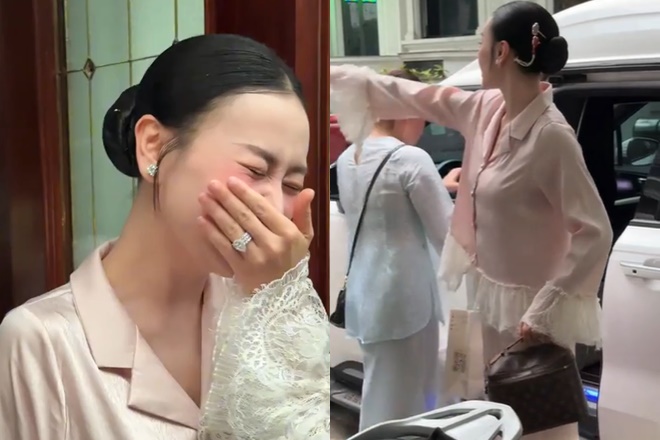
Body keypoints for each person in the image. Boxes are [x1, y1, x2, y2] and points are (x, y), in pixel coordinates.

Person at [0, 34, 329, 440]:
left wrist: (278, 305)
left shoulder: (269, 314)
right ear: (153, 146)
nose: (276, 206)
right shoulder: (42, 341)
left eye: (292, 184)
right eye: (256, 170)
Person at [330, 2, 612, 439]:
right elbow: (423, 97)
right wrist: (351, 79)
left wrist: (544, 310)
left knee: (542, 427)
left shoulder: (551, 137)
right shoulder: (486, 109)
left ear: (501, 52)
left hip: (534, 318)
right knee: (501, 415)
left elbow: (595, 231)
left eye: (481, 42)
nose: (477, 52)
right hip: (490, 300)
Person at [336, 69, 454, 431]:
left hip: (366, 294)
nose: (423, 126)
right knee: (411, 398)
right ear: (404, 109)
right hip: (406, 297)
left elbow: (382, 206)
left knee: (381, 390)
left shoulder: (348, 156)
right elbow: (448, 233)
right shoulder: (410, 158)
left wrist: (440, 184)